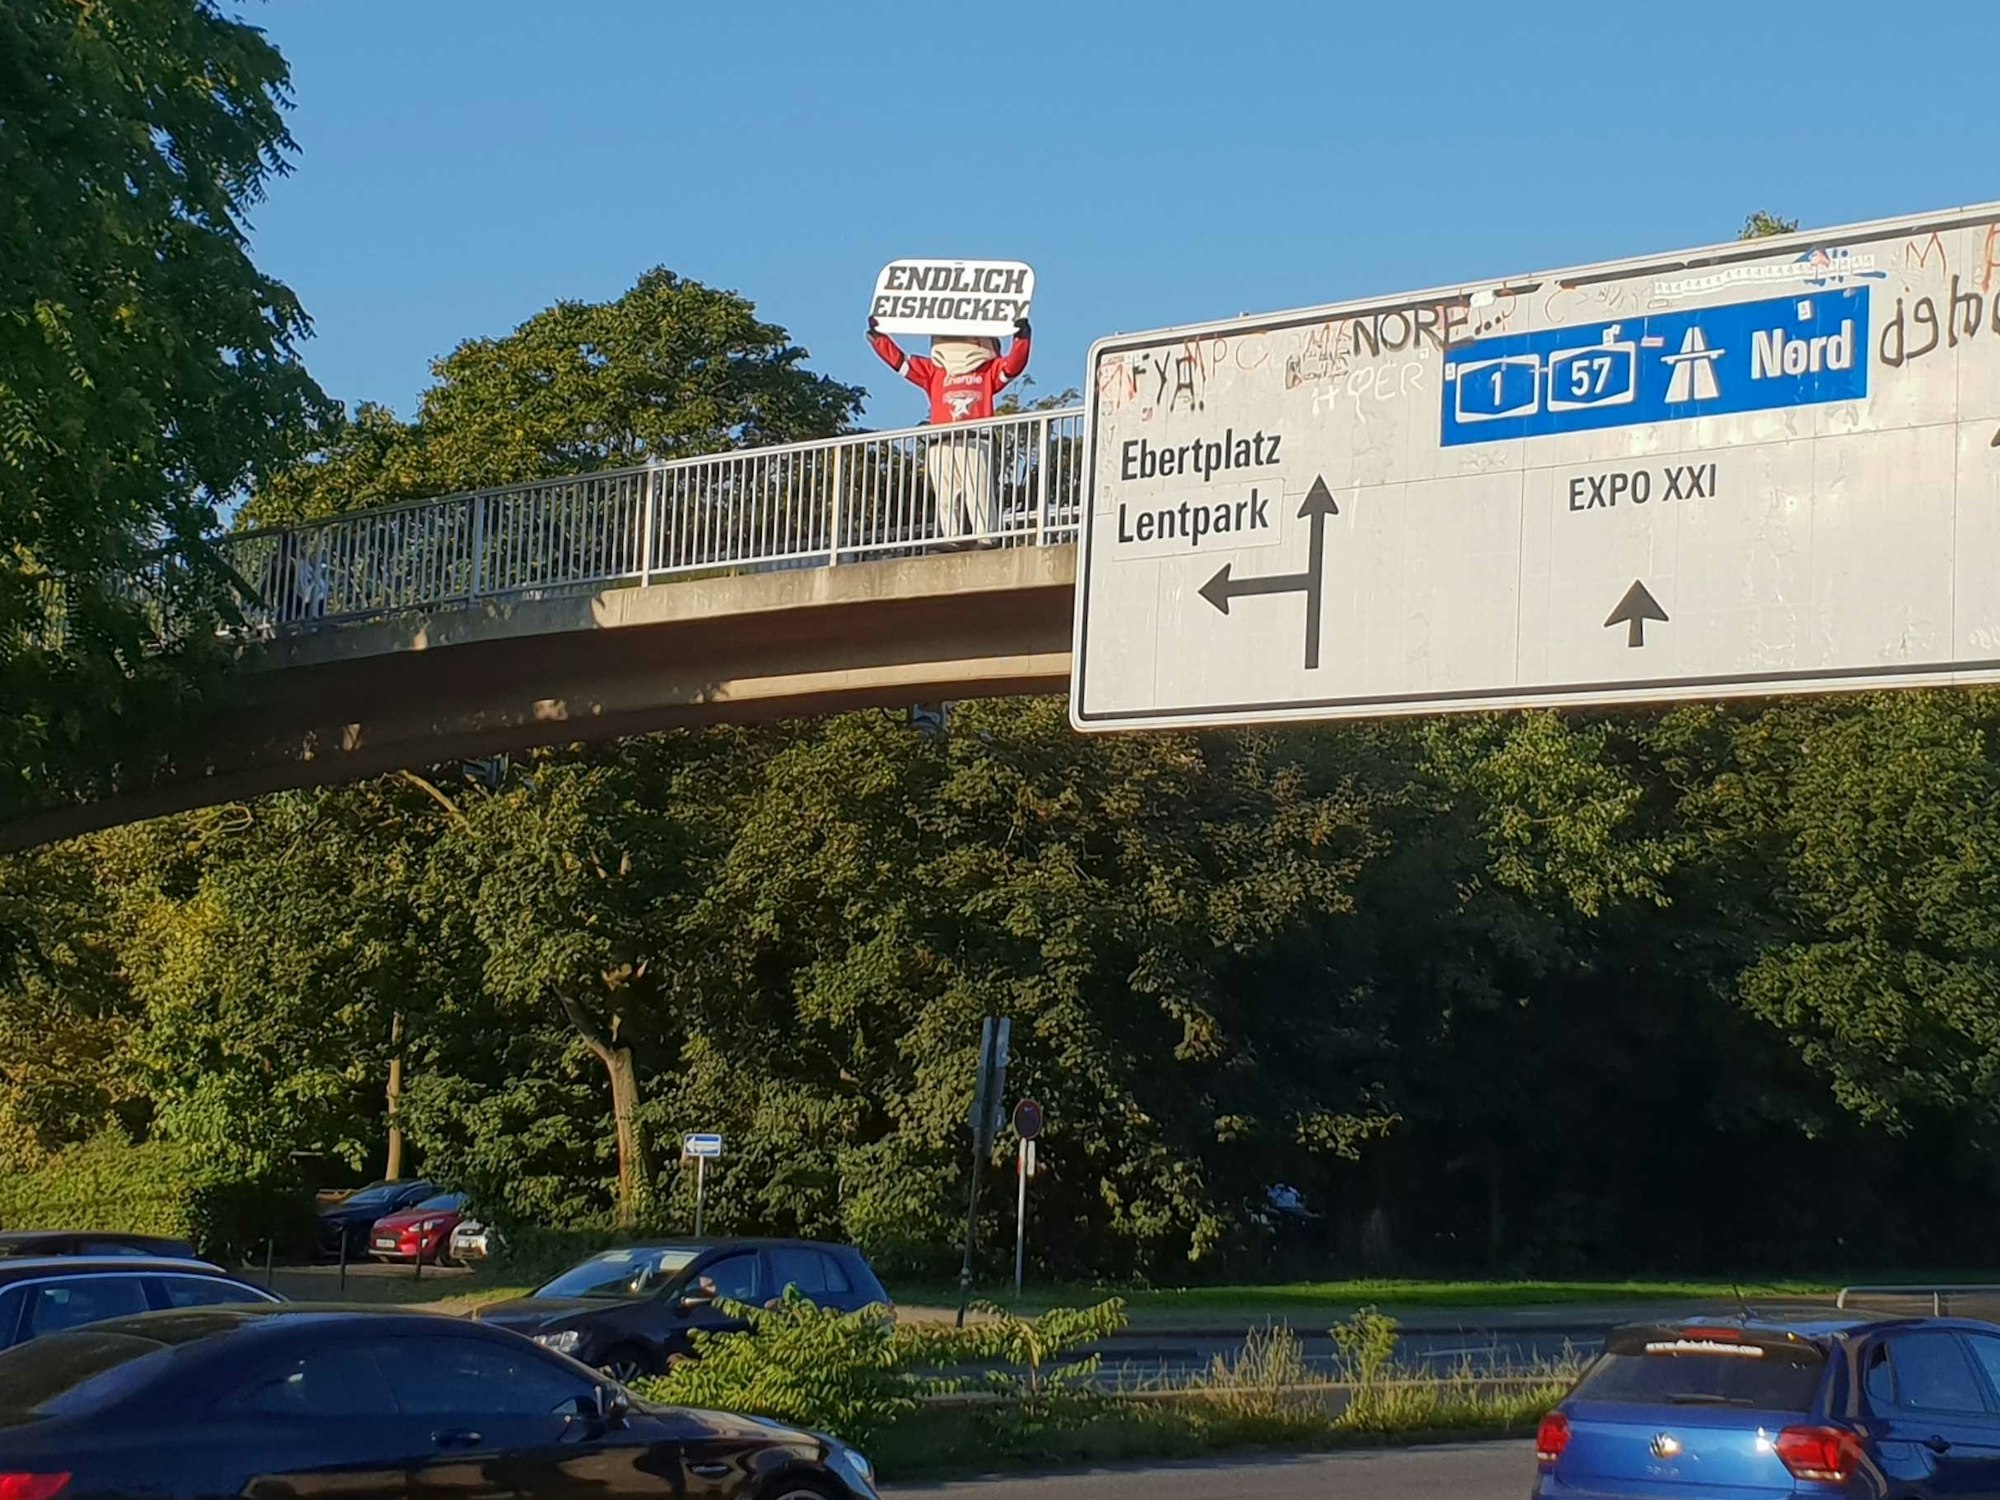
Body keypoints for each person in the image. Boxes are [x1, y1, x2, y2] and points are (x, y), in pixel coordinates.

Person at [868, 315, 1031, 545]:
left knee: (979, 491)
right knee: (946, 495)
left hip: (976, 439)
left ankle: (986, 536)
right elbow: (901, 362)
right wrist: (879, 338)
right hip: (941, 442)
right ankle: (951, 536)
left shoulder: (987, 371)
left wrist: (1021, 338)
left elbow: (1013, 365)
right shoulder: (934, 372)